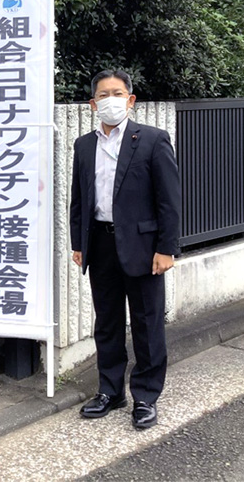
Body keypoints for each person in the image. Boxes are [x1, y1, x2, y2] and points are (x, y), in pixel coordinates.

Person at [69, 69, 181, 429]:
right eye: (103, 95)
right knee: (107, 322)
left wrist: (166, 248)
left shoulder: (152, 140)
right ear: (93, 104)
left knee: (147, 323)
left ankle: (145, 396)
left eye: (117, 93)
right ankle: (110, 390)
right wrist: (78, 243)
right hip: (100, 243)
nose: (110, 100)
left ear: (130, 100)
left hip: (143, 247)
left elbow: (169, 200)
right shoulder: (84, 145)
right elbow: (79, 198)